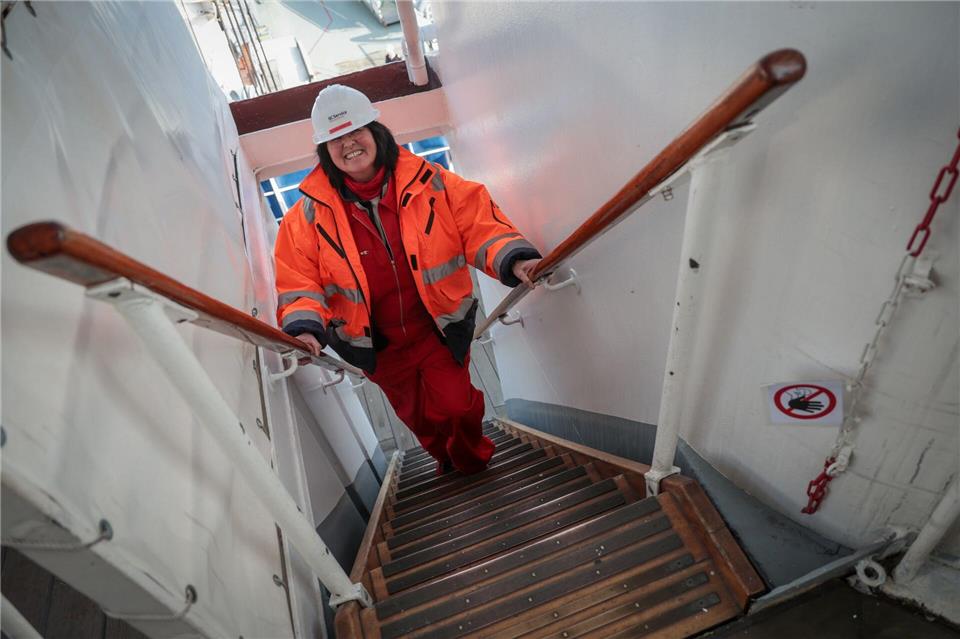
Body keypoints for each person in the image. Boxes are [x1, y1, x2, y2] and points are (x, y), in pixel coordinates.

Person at [274, 84, 541, 475]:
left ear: (375, 133)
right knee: (417, 416)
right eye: (335, 140)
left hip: (437, 325)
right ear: (325, 152)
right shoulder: (304, 218)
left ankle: (473, 461)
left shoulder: (432, 182)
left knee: (457, 405)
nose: (349, 144)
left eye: (355, 133)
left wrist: (514, 261)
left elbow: (478, 224)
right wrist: (304, 328)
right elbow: (298, 278)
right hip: (376, 345)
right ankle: (445, 458)